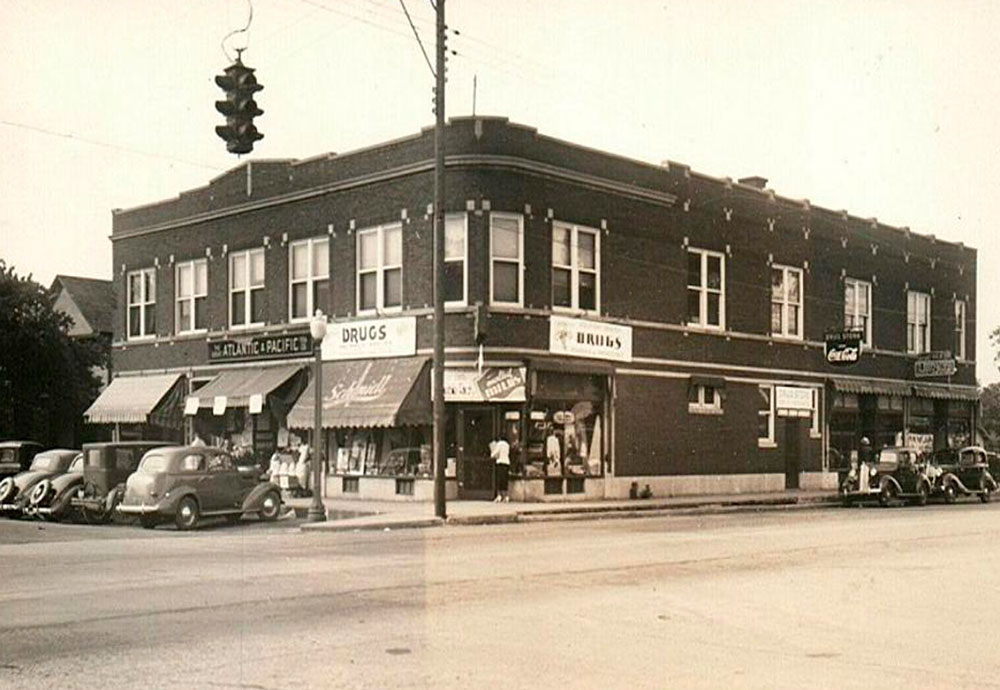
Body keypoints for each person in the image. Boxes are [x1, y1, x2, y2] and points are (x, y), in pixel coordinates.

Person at [491, 435, 511, 503]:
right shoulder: (507, 445)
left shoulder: (499, 444)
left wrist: (492, 454)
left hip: (500, 462)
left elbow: (495, 453)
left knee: (499, 480)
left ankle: (499, 495)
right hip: (507, 462)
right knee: (505, 480)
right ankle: (506, 496)